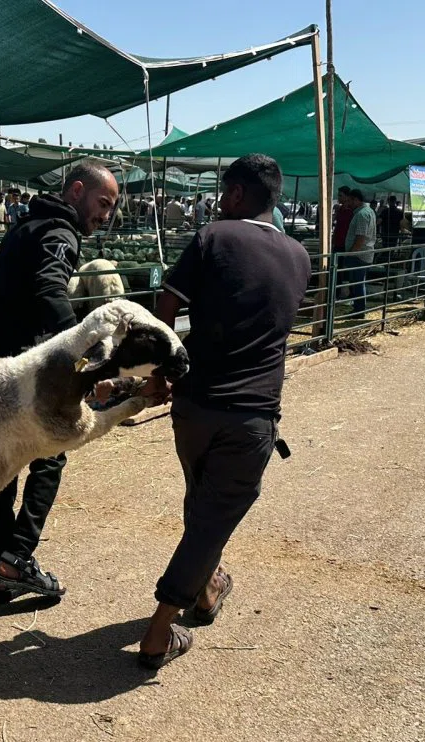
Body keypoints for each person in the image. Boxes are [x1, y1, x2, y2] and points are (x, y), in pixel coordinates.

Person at [137, 153, 309, 669]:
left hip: (194, 406)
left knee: (203, 503)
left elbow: (165, 309)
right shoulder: (301, 256)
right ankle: (158, 633)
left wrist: (160, 373)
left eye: (222, 190)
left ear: (235, 194)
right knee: (213, 518)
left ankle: (208, 589)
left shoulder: (212, 237)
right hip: (252, 411)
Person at [0, 162, 120, 602]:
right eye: (102, 203)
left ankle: (1, 566)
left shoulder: (27, 225)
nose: (105, 215)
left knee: (4, 463)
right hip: (15, 369)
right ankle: (16, 558)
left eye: (111, 208)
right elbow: (50, 288)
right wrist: (84, 350)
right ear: (77, 190)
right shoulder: (59, 233)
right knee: (52, 453)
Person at [341, 188, 376, 316]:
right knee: (358, 282)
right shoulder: (369, 211)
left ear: (356, 200)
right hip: (364, 253)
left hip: (359, 254)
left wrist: (350, 253)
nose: (348, 203)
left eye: (350, 200)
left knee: (357, 283)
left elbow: (360, 237)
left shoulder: (361, 214)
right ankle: (358, 308)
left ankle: (359, 310)